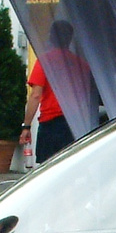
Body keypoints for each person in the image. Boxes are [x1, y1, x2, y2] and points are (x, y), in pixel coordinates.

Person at [21, 21, 80, 165]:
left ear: (51, 37)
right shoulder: (80, 63)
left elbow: (35, 95)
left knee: (48, 169)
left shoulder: (45, 62)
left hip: (51, 122)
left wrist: (27, 125)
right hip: (74, 122)